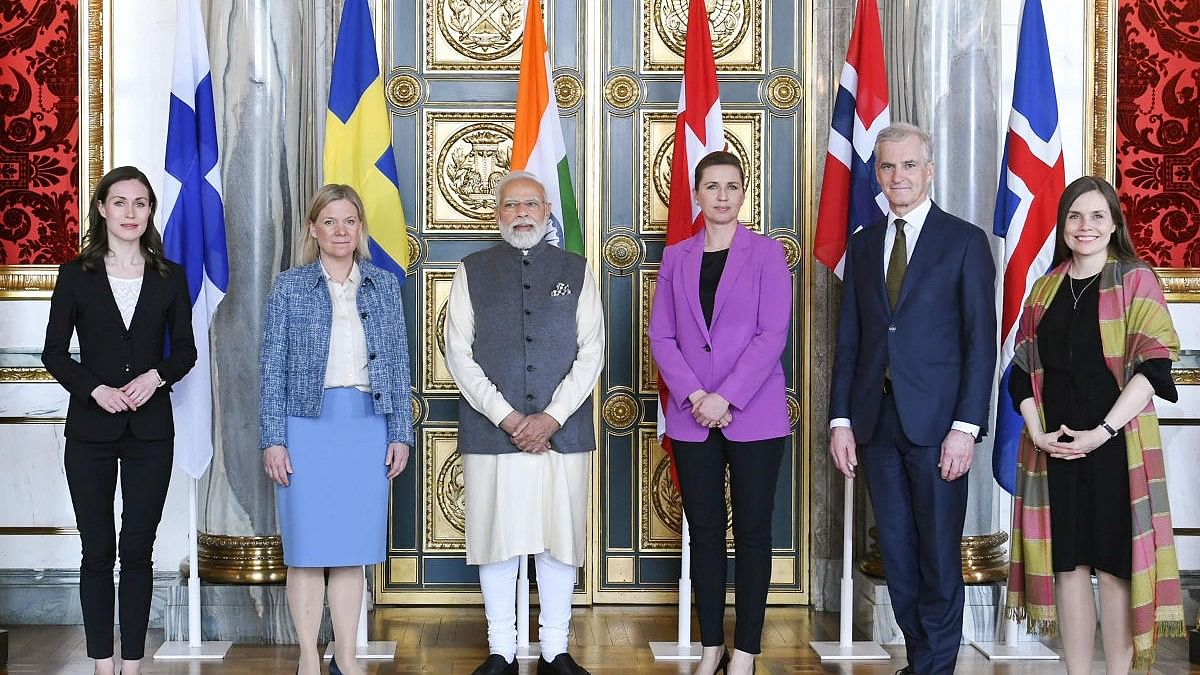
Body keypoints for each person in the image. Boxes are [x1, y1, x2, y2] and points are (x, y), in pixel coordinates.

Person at [828, 123, 996, 675]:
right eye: (887, 166)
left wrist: (966, 428)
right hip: (877, 426)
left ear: (929, 171)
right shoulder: (863, 243)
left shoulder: (965, 241)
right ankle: (922, 659)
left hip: (940, 428)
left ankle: (935, 667)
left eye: (908, 165)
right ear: (877, 174)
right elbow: (849, 339)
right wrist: (841, 420)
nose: (897, 175)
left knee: (938, 555)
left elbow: (980, 342)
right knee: (898, 557)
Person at [1006, 176, 1184, 673]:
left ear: (1114, 224)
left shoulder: (1135, 278)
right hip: (1056, 448)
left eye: (1097, 216)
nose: (1085, 227)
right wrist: (1038, 433)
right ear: (1063, 225)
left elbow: (1154, 370)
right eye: (1075, 217)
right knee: (1067, 568)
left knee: (1113, 570)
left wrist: (1102, 431)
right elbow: (1019, 374)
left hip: (1114, 448)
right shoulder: (1045, 287)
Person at [443, 170, 604, 675]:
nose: (522, 214)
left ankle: (555, 650)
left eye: (530, 204)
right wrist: (510, 417)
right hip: (494, 433)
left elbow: (592, 351)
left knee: (560, 539)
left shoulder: (577, 270)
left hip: (564, 434)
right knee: (497, 539)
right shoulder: (472, 270)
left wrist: (551, 417)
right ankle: (502, 651)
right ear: (497, 215)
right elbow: (458, 354)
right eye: (511, 206)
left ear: (546, 211)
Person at [41, 166, 197, 675]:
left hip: (151, 432)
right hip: (90, 431)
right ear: (103, 209)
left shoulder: (170, 277)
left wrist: (156, 378)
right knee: (97, 548)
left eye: (141, 204)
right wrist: (96, 389)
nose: (131, 213)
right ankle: (101, 663)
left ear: (151, 212)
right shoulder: (75, 275)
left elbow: (186, 352)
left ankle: (133, 663)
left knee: (137, 547)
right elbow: (54, 354)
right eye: (121, 203)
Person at [259, 184, 413, 675]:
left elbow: (398, 363)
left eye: (349, 221)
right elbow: (271, 368)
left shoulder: (383, 286)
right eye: (330, 221)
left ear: (361, 228)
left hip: (366, 425)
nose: (340, 230)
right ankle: (308, 656)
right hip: (306, 426)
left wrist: (400, 432)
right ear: (313, 229)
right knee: (306, 552)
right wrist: (273, 438)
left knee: (351, 550)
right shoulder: (290, 286)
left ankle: (346, 657)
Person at [648, 150, 792, 675]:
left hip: (753, 414)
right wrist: (694, 396)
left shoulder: (767, 254)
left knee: (753, 532)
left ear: (743, 191)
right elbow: (660, 335)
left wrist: (725, 397)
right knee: (704, 533)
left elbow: (772, 334)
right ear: (697, 193)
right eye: (712, 186)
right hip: (691, 416)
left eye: (732, 186)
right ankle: (713, 647)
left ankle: (747, 652)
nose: (723, 196)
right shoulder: (677, 258)